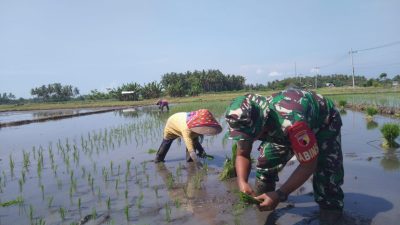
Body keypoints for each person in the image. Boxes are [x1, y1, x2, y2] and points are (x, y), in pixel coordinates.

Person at [225, 88, 344, 222]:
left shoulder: (293, 124)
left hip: (324, 123)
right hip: (280, 129)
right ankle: (263, 200)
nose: (248, 140)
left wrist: (280, 194)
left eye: (250, 136)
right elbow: (242, 154)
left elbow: (309, 164)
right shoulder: (245, 122)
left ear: (261, 123)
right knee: (266, 162)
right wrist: (242, 182)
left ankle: (331, 207)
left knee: (327, 173)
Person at [155, 109, 222, 164]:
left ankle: (190, 161)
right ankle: (158, 159)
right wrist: (196, 160)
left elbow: (195, 140)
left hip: (181, 120)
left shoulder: (197, 123)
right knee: (166, 143)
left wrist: (201, 151)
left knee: (194, 139)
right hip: (171, 124)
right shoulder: (186, 129)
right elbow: (189, 145)